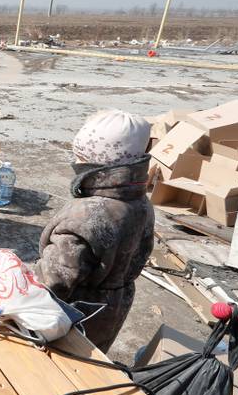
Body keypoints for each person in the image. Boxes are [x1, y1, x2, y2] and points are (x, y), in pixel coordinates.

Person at [35, 110, 154, 352]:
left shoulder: (86, 215)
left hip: (72, 314)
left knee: (57, 362)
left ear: (95, 164)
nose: (75, 162)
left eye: (80, 157)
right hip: (112, 310)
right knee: (92, 359)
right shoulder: (140, 202)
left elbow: (52, 281)